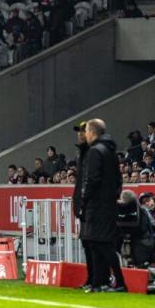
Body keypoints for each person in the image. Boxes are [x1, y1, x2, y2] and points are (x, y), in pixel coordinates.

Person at [80, 119, 126, 292]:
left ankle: (117, 282)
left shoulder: (95, 152)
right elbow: (118, 179)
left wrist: (84, 200)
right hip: (108, 204)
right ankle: (99, 283)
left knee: (101, 243)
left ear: (92, 132)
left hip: (97, 205)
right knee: (97, 243)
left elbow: (92, 179)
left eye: (87, 131)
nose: (85, 135)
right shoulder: (110, 151)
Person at [72, 121, 92, 289]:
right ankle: (93, 278)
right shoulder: (83, 153)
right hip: (84, 205)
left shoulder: (93, 152)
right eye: (79, 131)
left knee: (96, 243)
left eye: (83, 131)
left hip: (92, 206)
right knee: (87, 242)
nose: (80, 133)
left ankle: (102, 278)